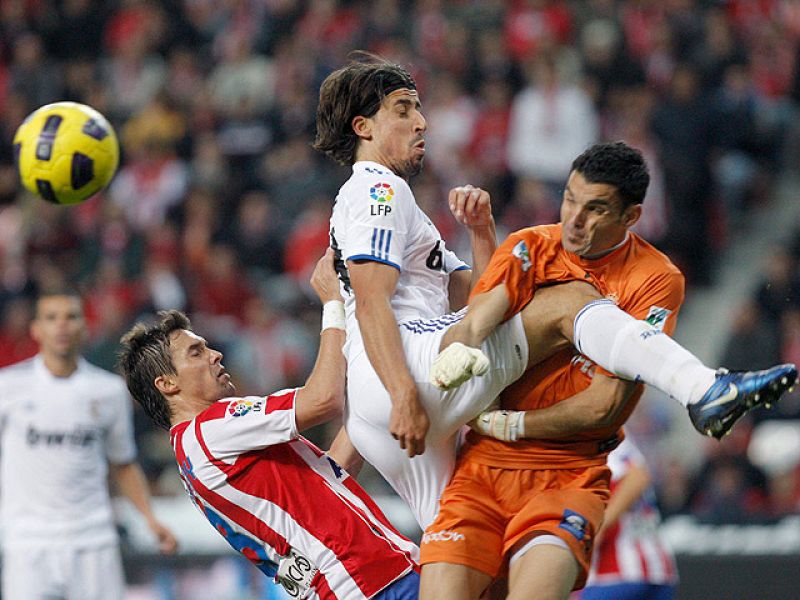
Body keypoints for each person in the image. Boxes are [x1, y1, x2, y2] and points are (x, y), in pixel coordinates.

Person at [313, 53, 796, 531]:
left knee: (466, 556)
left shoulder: (397, 206)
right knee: (567, 302)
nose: (421, 121)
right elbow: (373, 298)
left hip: (383, 406)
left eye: (418, 107)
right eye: (403, 109)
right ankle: (704, 388)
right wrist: (402, 393)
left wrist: (482, 232)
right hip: (405, 372)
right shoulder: (378, 190)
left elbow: (484, 296)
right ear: (364, 128)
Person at [418, 142, 791, 599]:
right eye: (570, 198)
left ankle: (704, 388)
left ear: (631, 217)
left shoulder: (655, 278)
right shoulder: (529, 246)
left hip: (568, 473)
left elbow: (606, 406)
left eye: (594, 209)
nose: (573, 218)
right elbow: (477, 320)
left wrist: (513, 424)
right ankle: (706, 388)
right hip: (481, 466)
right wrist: (466, 345)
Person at [117, 250, 420, 600]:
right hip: (368, 580)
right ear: (168, 384)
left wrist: (373, 389)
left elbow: (331, 472)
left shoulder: (193, 451)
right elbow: (323, 399)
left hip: (357, 581)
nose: (215, 354)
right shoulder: (213, 426)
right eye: (196, 353)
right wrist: (333, 304)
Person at [0, 289, 178, 600]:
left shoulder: (108, 391)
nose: (61, 326)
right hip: (28, 541)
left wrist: (150, 519)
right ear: (36, 329)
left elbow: (123, 463)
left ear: (84, 326)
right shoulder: (7, 387)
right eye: (51, 318)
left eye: (71, 317)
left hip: (93, 538)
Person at [580, 437, 678, 600]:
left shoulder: (596, 435)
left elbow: (637, 476)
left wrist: (600, 525)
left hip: (616, 572)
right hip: (657, 569)